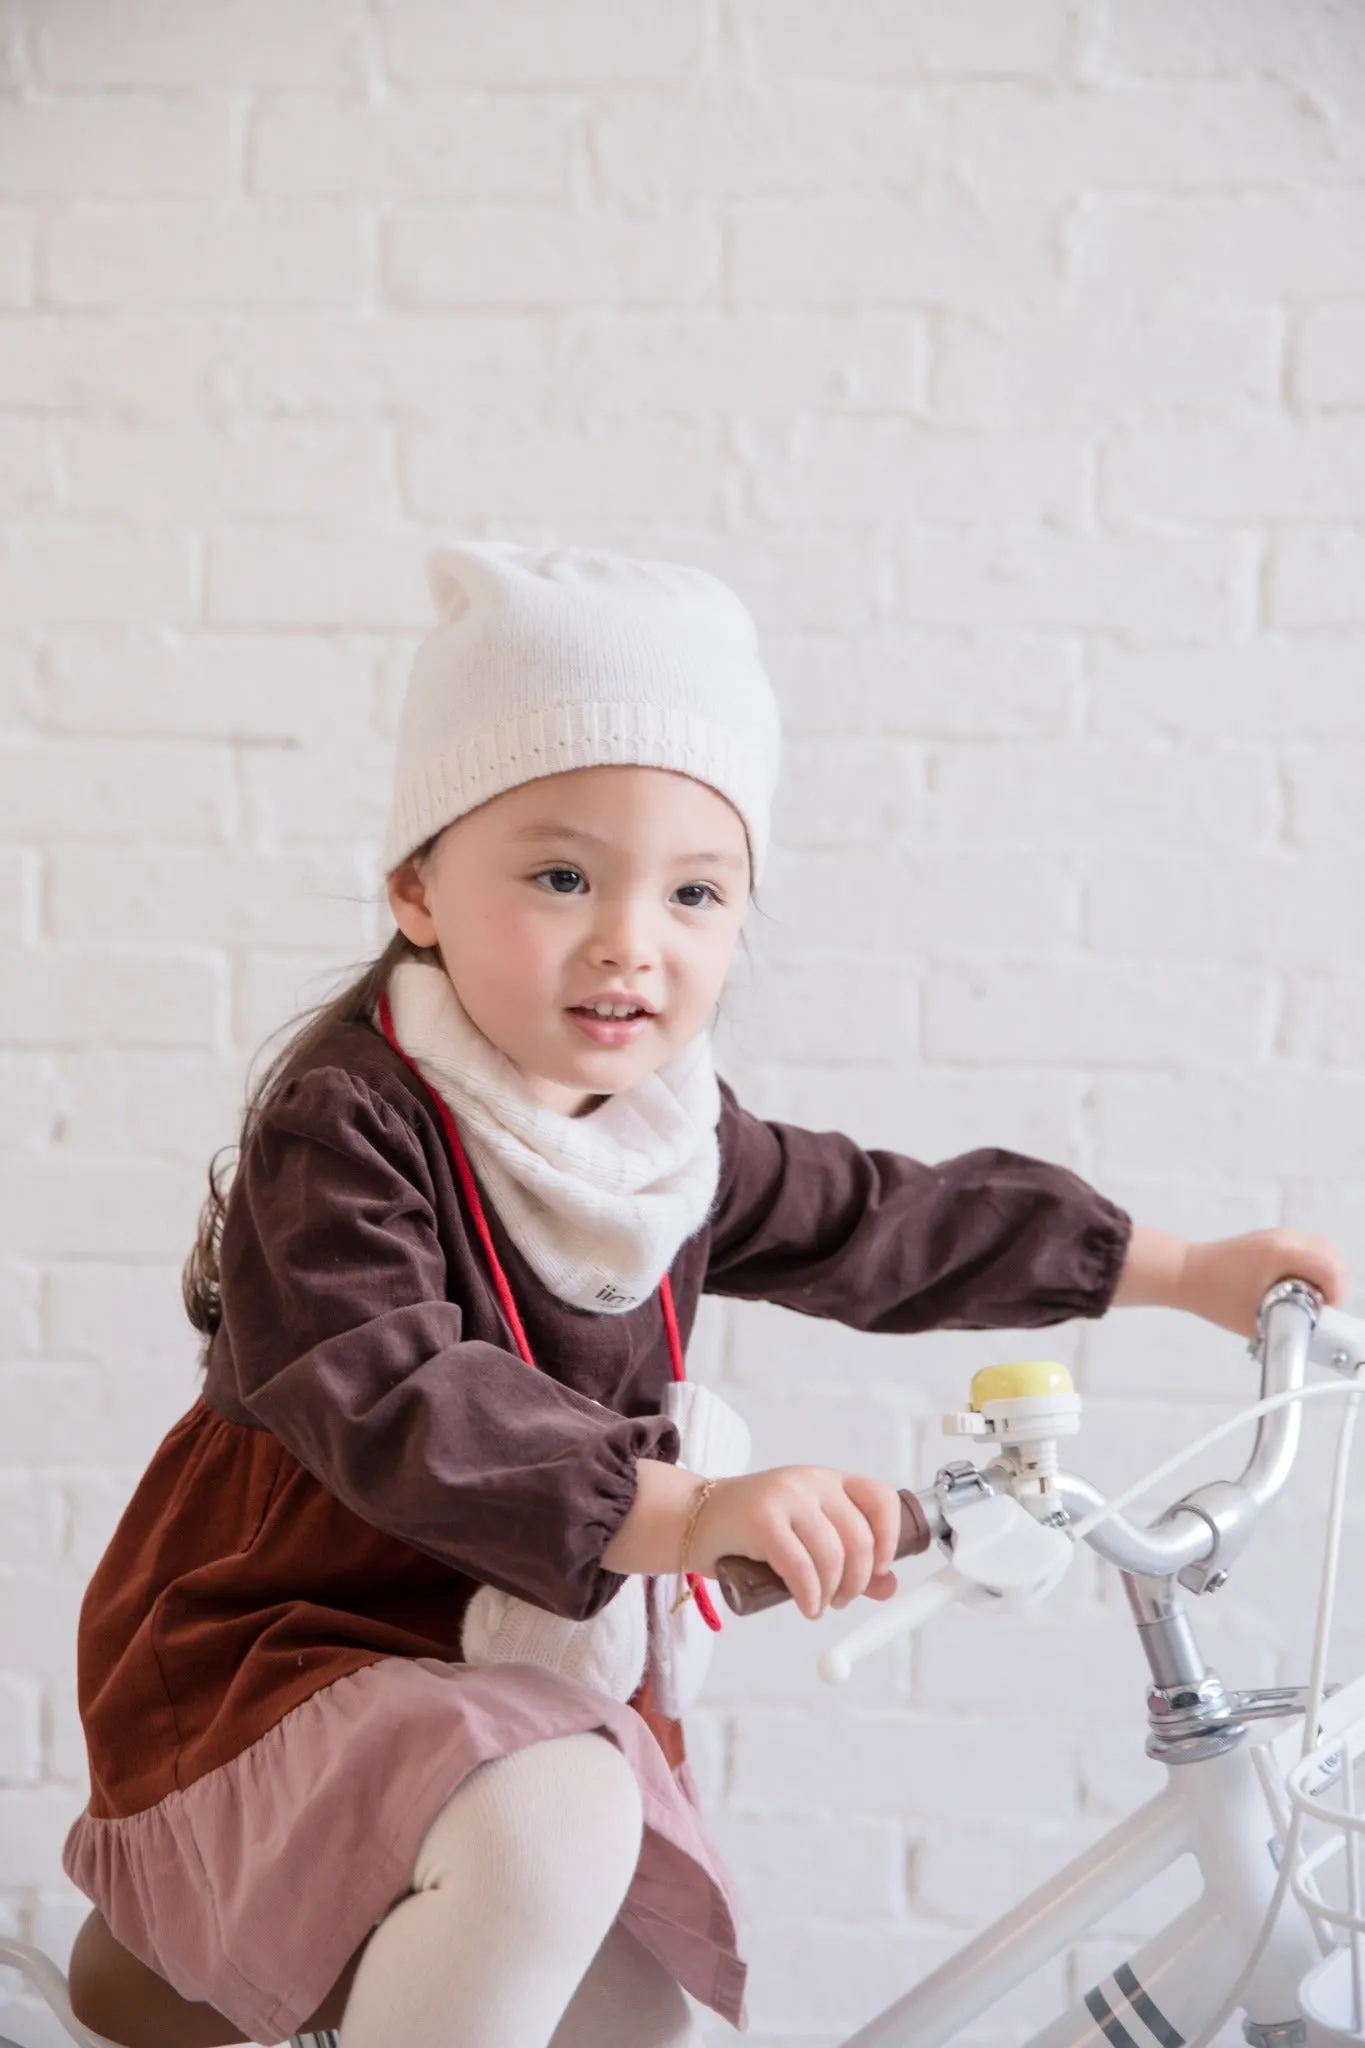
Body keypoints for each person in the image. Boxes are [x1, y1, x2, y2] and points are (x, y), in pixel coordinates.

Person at [61, 542, 1348, 2048]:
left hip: (507, 1661)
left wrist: (1182, 1273)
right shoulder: (345, 1128)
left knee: (631, 2009)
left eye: (694, 892)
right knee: (552, 1821)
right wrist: (691, 1514)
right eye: (560, 876)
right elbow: (404, 1398)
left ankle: (196, 1989)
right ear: (417, 887)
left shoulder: (673, 1135)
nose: (632, 941)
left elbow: (880, 1218)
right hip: (296, 1643)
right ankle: (172, 1965)